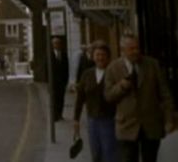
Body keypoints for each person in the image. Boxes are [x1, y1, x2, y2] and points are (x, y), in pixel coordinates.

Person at [104, 34, 174, 162]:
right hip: (126, 126)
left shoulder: (153, 64)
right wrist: (121, 87)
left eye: (137, 48)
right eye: (131, 49)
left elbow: (165, 95)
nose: (136, 51)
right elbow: (108, 96)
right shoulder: (113, 68)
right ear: (122, 50)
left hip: (151, 125)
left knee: (150, 158)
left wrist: (169, 120)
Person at [73, 41, 117, 162]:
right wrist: (76, 119)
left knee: (110, 154)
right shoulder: (87, 74)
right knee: (96, 153)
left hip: (110, 120)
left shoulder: (113, 73)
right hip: (92, 120)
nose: (100, 57)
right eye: (97, 54)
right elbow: (80, 97)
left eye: (103, 54)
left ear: (108, 57)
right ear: (93, 56)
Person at [50, 36, 70, 121]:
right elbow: (47, 68)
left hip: (62, 81)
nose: (56, 45)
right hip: (53, 81)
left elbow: (67, 68)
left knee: (61, 98)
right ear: (52, 45)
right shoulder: (49, 55)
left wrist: (66, 80)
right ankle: (55, 115)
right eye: (55, 43)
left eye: (58, 43)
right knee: (54, 98)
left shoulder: (64, 55)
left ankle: (60, 114)